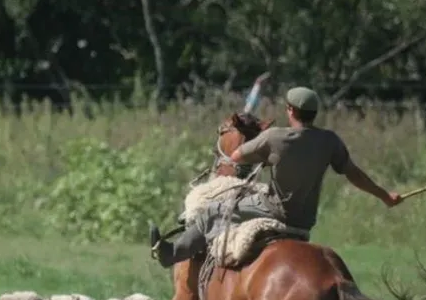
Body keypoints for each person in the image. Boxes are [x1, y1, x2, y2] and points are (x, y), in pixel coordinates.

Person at [149, 86, 403, 268]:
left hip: (273, 210)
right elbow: (355, 174)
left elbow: (235, 156)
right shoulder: (330, 141)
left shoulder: (275, 138)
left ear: (290, 110)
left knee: (212, 211)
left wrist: (265, 156)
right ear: (314, 113)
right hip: (304, 221)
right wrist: (385, 196)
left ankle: (172, 254)